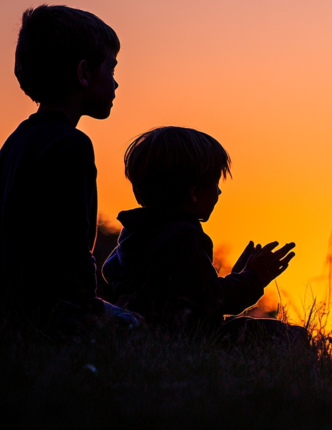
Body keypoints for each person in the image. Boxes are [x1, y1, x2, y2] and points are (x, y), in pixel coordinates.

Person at [0, 5, 140, 336]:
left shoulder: (15, 143)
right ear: (84, 73)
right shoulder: (71, 145)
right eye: (110, 69)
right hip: (49, 319)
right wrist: (89, 309)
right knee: (143, 327)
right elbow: (70, 250)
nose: (115, 83)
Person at [102, 126, 306, 345]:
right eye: (215, 183)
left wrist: (237, 276)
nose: (219, 192)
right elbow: (211, 301)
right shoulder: (184, 235)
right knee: (291, 336)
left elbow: (192, 292)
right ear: (193, 193)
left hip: (145, 340)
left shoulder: (133, 234)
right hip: (184, 342)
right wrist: (253, 277)